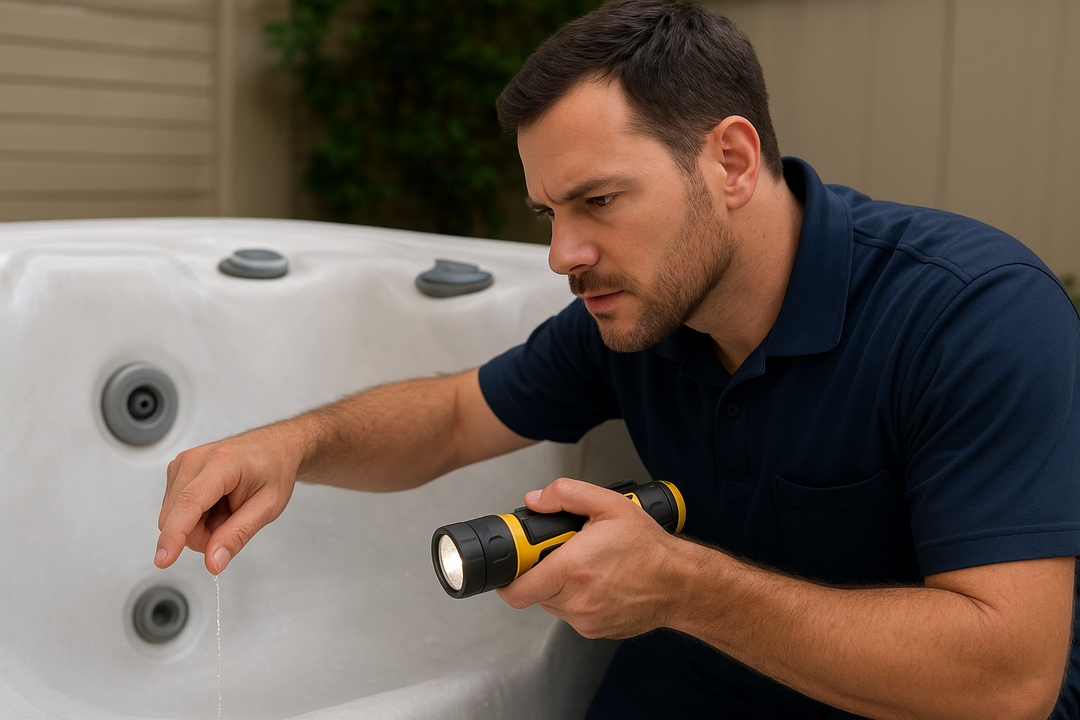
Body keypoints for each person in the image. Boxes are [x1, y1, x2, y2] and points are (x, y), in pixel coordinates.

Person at [155, 1, 1080, 718]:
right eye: (549, 214)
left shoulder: (972, 314)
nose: (563, 256)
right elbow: (453, 417)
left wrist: (684, 588)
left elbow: (1009, 681)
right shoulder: (639, 314)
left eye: (599, 200)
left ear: (731, 161)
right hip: (716, 673)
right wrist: (293, 446)